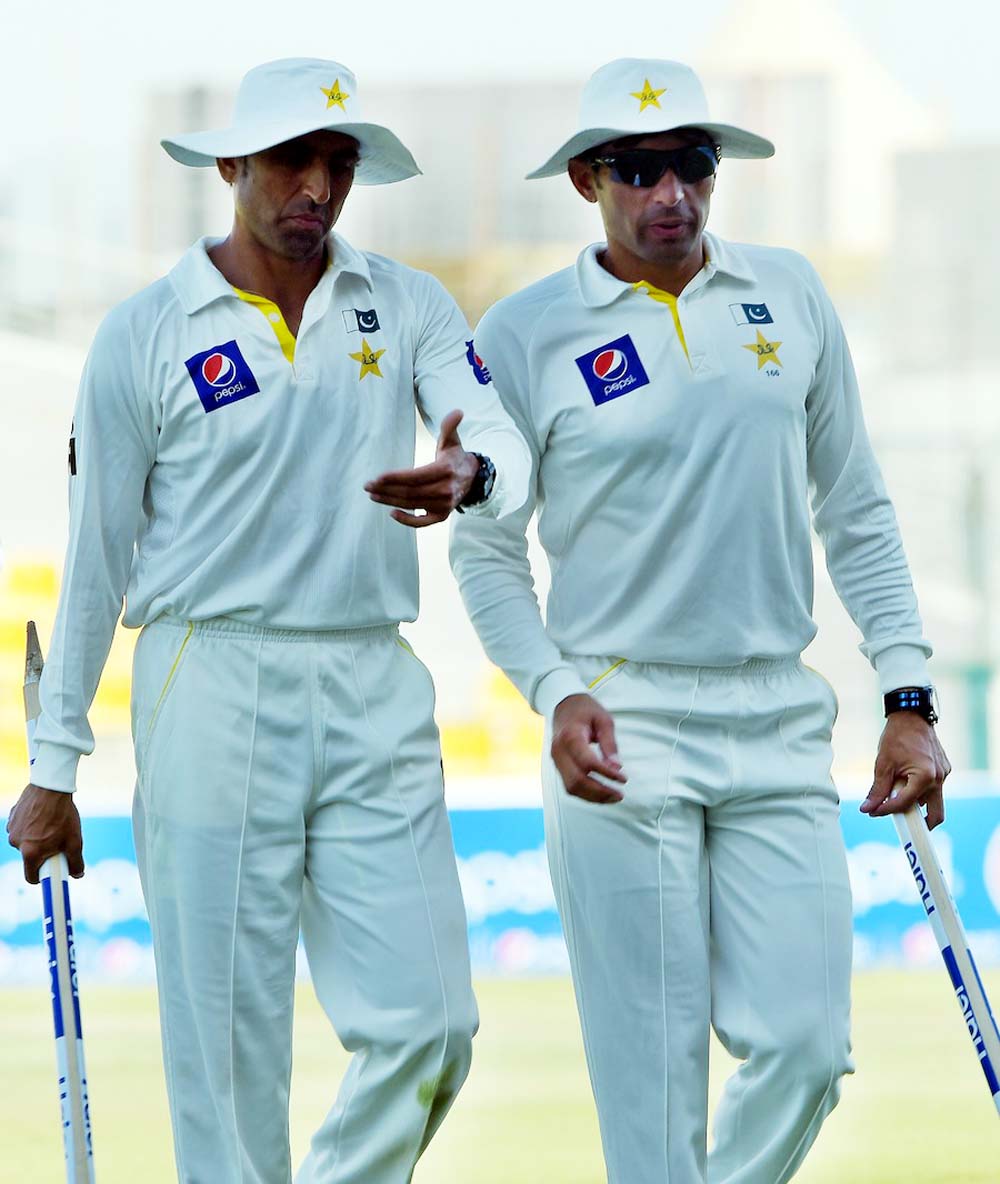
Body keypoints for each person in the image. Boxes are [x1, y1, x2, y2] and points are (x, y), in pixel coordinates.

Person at [6, 57, 530, 1184]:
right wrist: (55, 764)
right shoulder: (146, 331)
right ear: (232, 166)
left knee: (433, 1024)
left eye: (339, 164)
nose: (319, 187)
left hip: (372, 676)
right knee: (228, 1055)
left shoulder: (408, 302)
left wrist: (474, 472)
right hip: (209, 674)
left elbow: (494, 432)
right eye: (294, 160)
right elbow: (96, 556)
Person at [450, 57, 950, 1184]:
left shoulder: (792, 291)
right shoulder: (524, 331)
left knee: (808, 1049)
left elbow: (856, 508)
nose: (670, 192)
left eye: (692, 164)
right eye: (639, 170)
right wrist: (554, 691)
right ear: (586, 180)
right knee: (654, 1092)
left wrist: (906, 693)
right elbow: (484, 551)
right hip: (619, 719)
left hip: (777, 715)